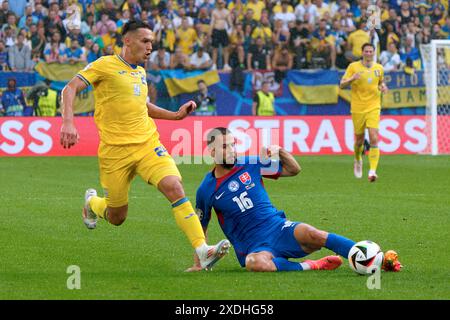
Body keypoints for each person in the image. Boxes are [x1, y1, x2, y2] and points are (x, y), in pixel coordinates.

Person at [59, 21, 230, 271]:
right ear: (127, 40)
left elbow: (142, 106)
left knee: (174, 186)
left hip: (148, 144)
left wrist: (175, 116)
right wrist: (68, 122)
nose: (150, 46)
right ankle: (92, 203)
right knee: (117, 217)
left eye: (152, 42)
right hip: (115, 153)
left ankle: (202, 250)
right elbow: (70, 88)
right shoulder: (104, 65)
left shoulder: (140, 72)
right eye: (144, 41)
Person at [186, 127, 360, 272]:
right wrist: (198, 263)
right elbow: (201, 226)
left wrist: (281, 151)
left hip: (278, 228)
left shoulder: (251, 164)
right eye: (225, 146)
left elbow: (294, 170)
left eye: (233, 144)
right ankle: (313, 265)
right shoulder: (206, 189)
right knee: (255, 263)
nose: (232, 150)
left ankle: (365, 255)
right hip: (254, 246)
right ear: (212, 151)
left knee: (314, 234)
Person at [340, 43, 388, 182]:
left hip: (374, 106)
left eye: (370, 51)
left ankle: (372, 171)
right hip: (358, 108)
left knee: (373, 137)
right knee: (359, 141)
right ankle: (358, 158)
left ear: (374, 53)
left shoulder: (379, 68)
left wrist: (383, 87)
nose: (368, 53)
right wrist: (351, 79)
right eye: (366, 51)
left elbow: (380, 82)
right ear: (362, 53)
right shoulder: (353, 67)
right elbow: (342, 85)